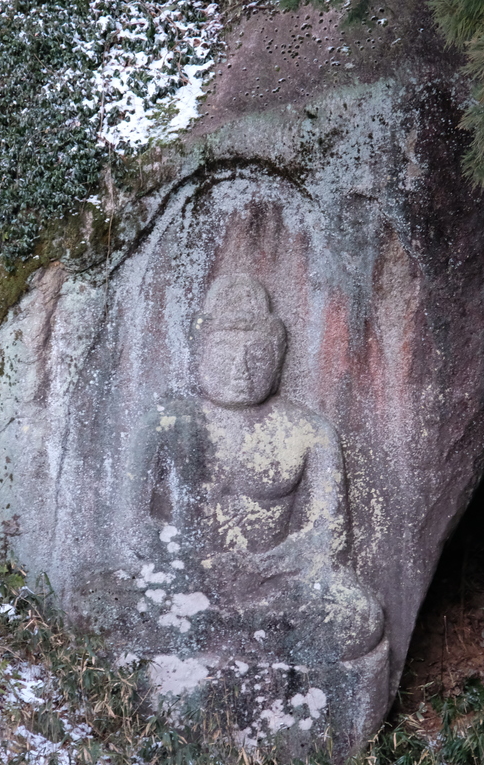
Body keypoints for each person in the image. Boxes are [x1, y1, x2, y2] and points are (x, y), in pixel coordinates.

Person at [130, 274, 384, 665]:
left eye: (257, 355)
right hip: (183, 578)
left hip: (272, 585)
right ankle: (242, 635)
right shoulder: (164, 424)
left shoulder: (309, 432)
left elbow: (325, 537)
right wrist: (191, 565)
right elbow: (132, 526)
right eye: (224, 355)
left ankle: (219, 634)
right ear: (199, 354)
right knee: (97, 598)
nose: (241, 369)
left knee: (357, 617)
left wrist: (269, 567)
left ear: (279, 357)